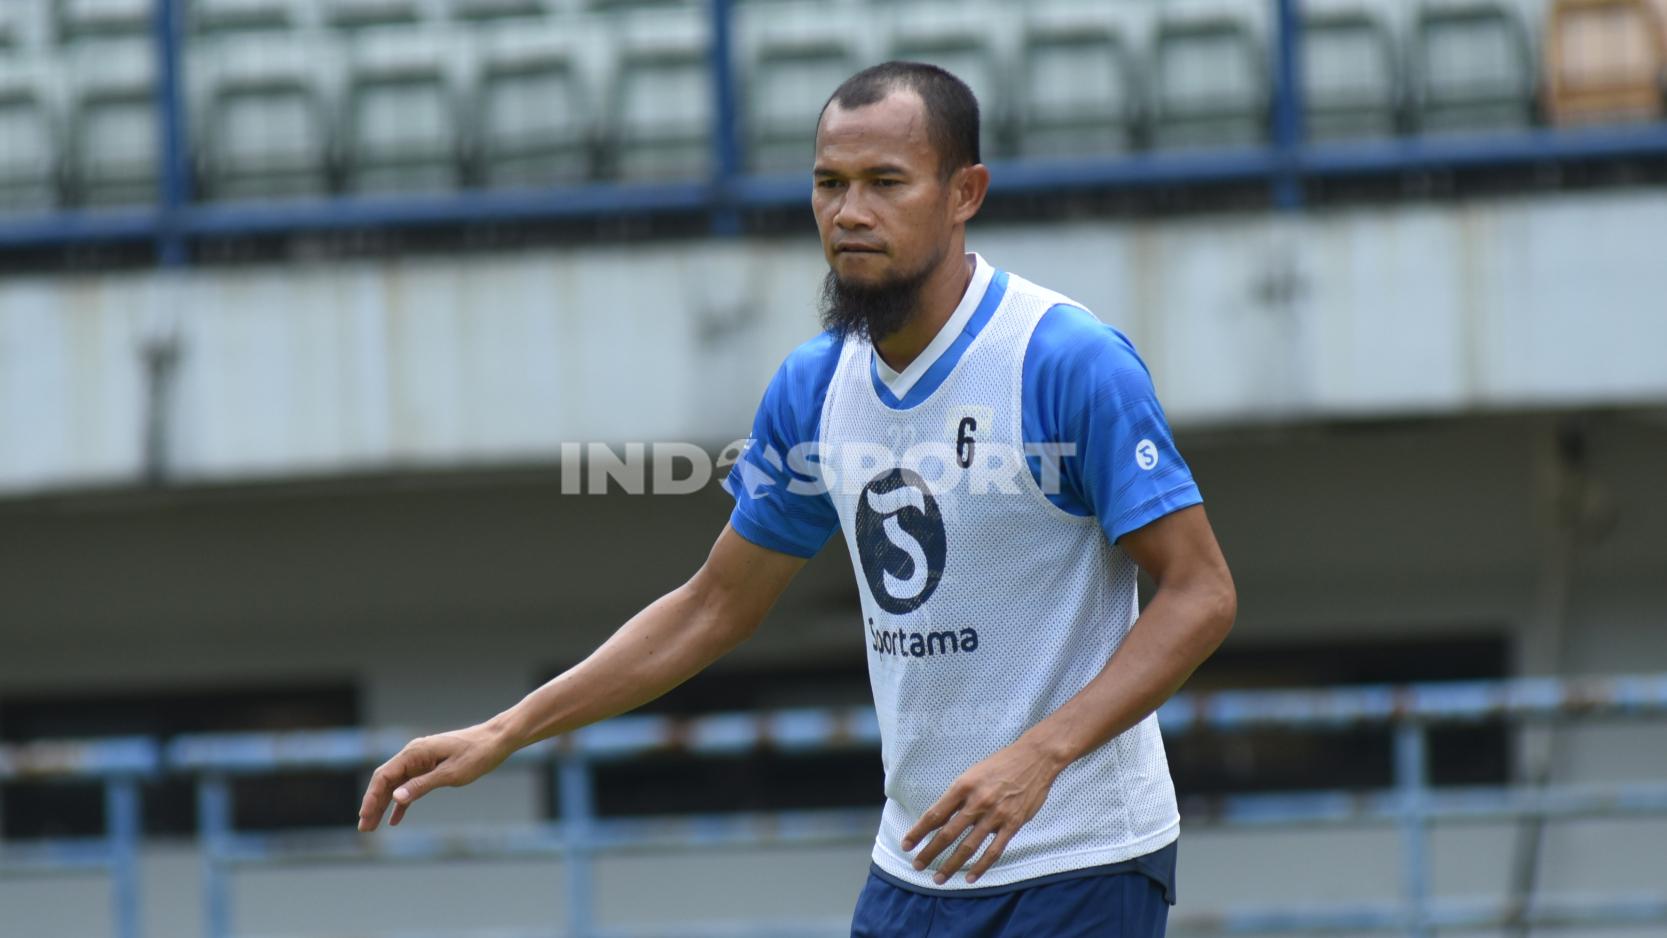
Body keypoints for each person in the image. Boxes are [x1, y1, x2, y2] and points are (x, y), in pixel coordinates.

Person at [357, 62, 1236, 937]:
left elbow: (1200, 593)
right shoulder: (815, 386)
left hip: (1079, 861)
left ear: (964, 192)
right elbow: (714, 605)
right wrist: (505, 732)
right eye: (829, 184)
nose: (849, 213)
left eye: (884, 183)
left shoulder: (1065, 360)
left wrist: (1040, 756)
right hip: (915, 864)